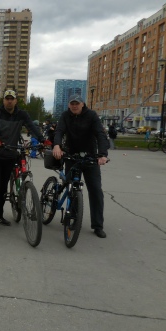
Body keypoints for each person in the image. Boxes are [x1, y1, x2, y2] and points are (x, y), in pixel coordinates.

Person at [0, 89, 47, 235]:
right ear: (3, 100)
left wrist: (43, 140)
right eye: (7, 98)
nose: (9, 101)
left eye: (11, 99)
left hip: (10, 154)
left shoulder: (21, 114)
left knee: (3, 187)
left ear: (15, 101)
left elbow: (32, 126)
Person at [52, 94, 109, 238]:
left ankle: (97, 225)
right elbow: (59, 131)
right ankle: (72, 218)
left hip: (90, 157)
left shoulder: (91, 116)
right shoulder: (65, 116)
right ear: (69, 105)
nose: (74, 106)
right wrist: (57, 145)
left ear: (83, 104)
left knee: (96, 190)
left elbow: (100, 134)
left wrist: (102, 154)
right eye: (72, 103)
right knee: (71, 187)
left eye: (77, 103)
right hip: (72, 156)